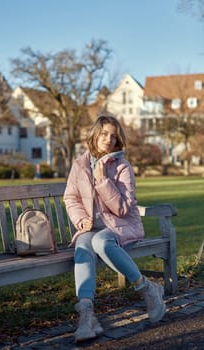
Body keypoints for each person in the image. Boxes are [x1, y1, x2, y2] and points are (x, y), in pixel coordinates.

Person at [63, 114, 166, 343]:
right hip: (91, 228)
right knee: (83, 245)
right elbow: (71, 197)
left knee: (100, 242)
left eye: (114, 136)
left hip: (120, 226)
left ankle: (147, 289)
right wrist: (81, 220)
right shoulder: (79, 165)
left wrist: (102, 180)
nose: (109, 139)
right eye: (104, 134)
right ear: (94, 135)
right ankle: (87, 316)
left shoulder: (122, 167)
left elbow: (122, 209)